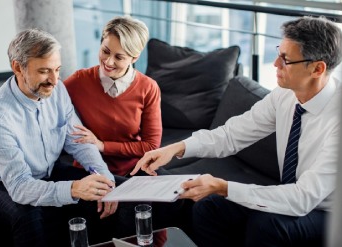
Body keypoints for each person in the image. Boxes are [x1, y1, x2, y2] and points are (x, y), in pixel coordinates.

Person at [131, 16, 342, 247]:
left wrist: (223, 187)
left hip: (328, 211)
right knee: (208, 208)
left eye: (286, 59)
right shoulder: (284, 95)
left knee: (267, 225)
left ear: (317, 68)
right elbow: (232, 134)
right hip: (290, 192)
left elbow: (303, 199)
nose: (275, 64)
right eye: (278, 53)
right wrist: (177, 148)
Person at [0, 28, 128, 247]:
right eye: (44, 71)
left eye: (57, 70)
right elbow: (19, 186)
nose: (54, 80)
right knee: (28, 218)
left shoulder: (58, 89)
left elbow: (77, 140)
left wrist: (103, 176)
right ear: (18, 67)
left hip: (47, 170)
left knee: (115, 191)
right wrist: (74, 189)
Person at [64, 16, 162, 177]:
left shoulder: (148, 87)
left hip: (135, 171)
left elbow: (151, 146)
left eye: (119, 57)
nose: (108, 62)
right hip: (89, 172)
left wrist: (102, 145)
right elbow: (47, 104)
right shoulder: (79, 81)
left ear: (134, 57)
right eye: (105, 51)